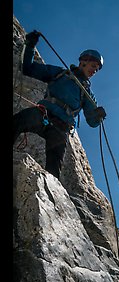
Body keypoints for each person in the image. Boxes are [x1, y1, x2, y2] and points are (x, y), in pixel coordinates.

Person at [13, 30, 107, 179]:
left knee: (54, 169)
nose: (94, 70)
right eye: (93, 65)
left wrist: (98, 115)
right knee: (17, 121)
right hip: (44, 114)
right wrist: (30, 46)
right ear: (83, 61)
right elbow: (28, 68)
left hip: (61, 128)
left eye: (97, 68)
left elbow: (92, 121)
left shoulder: (87, 93)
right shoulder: (60, 74)